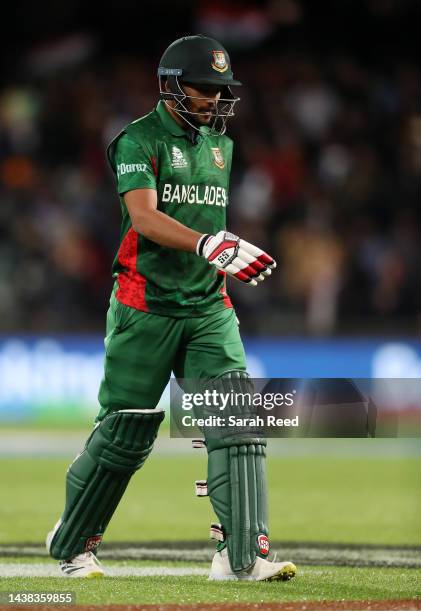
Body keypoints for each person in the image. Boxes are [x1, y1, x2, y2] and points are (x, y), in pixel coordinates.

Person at [46, 34, 297, 582]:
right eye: (202, 87)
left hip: (208, 306)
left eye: (220, 89)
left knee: (234, 419)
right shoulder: (137, 140)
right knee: (124, 432)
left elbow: (205, 223)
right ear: (170, 85)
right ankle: (74, 544)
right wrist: (210, 245)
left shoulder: (220, 145)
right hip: (145, 306)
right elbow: (144, 219)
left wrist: (224, 246)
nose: (212, 98)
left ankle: (241, 557)